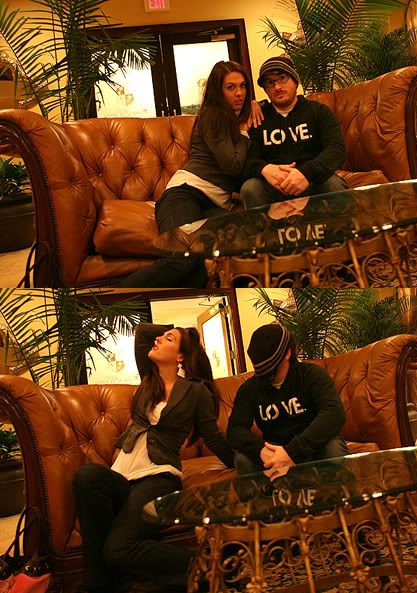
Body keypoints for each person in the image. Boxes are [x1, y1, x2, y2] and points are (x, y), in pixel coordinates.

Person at [73, 323, 235, 593]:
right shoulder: (149, 380)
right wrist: (174, 332)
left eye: (168, 339)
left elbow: (213, 437)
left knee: (118, 549)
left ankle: (213, 566)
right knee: (87, 476)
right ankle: (100, 582)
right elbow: (143, 333)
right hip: (123, 476)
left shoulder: (195, 392)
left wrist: (241, 463)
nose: (158, 339)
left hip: (158, 477)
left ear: (180, 356)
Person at [121, 60, 260, 287]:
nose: (239, 93)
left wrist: (256, 104)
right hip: (185, 194)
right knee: (181, 260)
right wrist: (244, 132)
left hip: (213, 205)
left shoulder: (237, 115)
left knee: (207, 265)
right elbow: (232, 166)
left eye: (243, 86)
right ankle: (107, 298)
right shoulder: (212, 116)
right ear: (218, 90)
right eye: (231, 87)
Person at [227, 323, 348, 476]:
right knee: (243, 460)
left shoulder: (312, 375)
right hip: (274, 453)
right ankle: (271, 491)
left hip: (311, 446)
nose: (265, 376)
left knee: (333, 448)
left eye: (270, 369)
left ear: (287, 354)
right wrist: (260, 449)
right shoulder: (249, 389)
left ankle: (330, 490)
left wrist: (292, 452)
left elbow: (334, 414)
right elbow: (235, 430)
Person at [239, 56, 348, 210]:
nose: (277, 87)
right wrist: (264, 168)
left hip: (313, 181)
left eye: (283, 78)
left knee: (333, 184)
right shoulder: (257, 118)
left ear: (295, 80)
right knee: (250, 188)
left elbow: (337, 149)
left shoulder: (318, 111)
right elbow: (247, 160)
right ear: (265, 89)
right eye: (270, 82)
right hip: (273, 187)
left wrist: (306, 173)